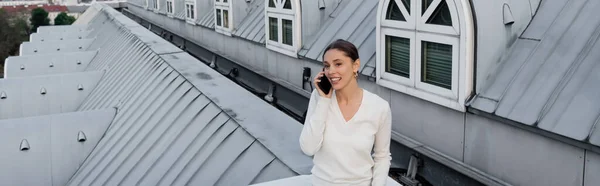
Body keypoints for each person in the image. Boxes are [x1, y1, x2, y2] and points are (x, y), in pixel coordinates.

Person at [299, 39, 392, 186]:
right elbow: (308, 148)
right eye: (326, 66)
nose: (330, 71)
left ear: (355, 65)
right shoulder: (319, 98)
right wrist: (324, 101)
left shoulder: (379, 107)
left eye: (338, 64)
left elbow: (382, 157)